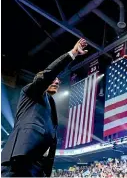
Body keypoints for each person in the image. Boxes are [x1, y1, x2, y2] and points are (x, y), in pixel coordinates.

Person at [1, 39, 88, 177]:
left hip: (38, 168)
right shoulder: (30, 92)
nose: (57, 81)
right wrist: (72, 54)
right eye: (54, 79)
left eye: (58, 80)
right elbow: (47, 75)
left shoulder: (50, 103)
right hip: (21, 160)